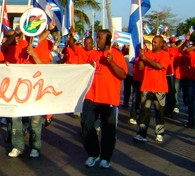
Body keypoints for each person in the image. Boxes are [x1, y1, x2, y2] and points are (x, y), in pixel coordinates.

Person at [72, 29, 127, 168]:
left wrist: (111, 63)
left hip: (108, 98)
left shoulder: (117, 55)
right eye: (97, 38)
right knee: (86, 124)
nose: (97, 40)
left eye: (100, 38)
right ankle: (93, 153)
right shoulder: (94, 54)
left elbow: (123, 75)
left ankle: (106, 157)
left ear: (108, 39)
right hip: (92, 96)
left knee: (108, 130)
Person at [8, 25, 54, 159]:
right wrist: (17, 31)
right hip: (20, 89)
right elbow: (6, 45)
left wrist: (34, 55)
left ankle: (35, 147)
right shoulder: (20, 44)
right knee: (16, 117)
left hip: (35, 90)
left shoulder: (42, 46)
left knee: (35, 120)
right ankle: (17, 146)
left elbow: (46, 67)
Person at [133, 35, 171, 143]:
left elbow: (160, 66)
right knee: (145, 112)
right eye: (152, 42)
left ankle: (159, 133)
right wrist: (141, 56)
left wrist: (147, 59)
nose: (153, 44)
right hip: (146, 86)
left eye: (155, 42)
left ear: (160, 44)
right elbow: (140, 67)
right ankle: (141, 133)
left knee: (159, 112)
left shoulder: (165, 55)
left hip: (160, 87)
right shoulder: (147, 54)